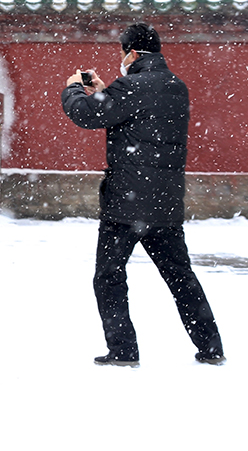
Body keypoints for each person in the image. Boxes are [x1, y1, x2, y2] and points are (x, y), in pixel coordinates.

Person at [61, 22, 224, 366]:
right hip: (165, 205)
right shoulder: (176, 87)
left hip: (125, 205)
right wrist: (107, 90)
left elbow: (86, 115)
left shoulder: (131, 87)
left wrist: (74, 89)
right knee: (181, 277)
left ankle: (123, 349)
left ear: (132, 53)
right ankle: (211, 347)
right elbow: (134, 116)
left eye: (122, 52)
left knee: (109, 277)